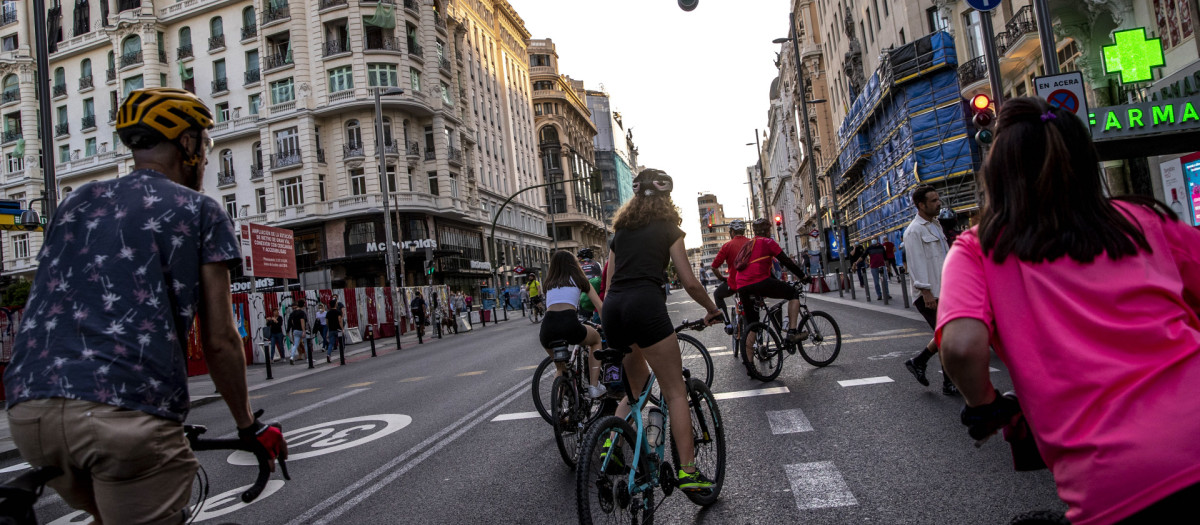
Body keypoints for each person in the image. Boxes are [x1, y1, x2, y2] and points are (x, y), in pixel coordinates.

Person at [3, 88, 286, 524]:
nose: (207, 157)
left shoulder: (76, 202)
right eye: (205, 144)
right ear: (187, 144)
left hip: (31, 408)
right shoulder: (200, 210)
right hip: (125, 410)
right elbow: (220, 340)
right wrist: (247, 425)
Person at [938, 97, 1200, 524]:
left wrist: (985, 406)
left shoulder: (980, 248)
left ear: (997, 172)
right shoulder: (1142, 219)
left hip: (1117, 481)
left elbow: (963, 347)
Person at [603, 168, 724, 492]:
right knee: (675, 391)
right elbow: (688, 281)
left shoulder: (621, 231)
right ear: (667, 197)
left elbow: (610, 281)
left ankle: (608, 447)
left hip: (614, 309)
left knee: (636, 390)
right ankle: (687, 470)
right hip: (646, 306)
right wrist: (712, 309)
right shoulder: (670, 229)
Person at [901, 184, 958, 396]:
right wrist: (926, 292)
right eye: (933, 201)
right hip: (929, 294)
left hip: (944, 290)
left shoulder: (935, 226)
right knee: (947, 336)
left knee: (945, 334)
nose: (938, 203)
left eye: (938, 199)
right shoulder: (914, 231)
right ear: (920, 205)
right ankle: (948, 382)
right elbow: (915, 264)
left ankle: (919, 362)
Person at [735, 218, 812, 369]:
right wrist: (803, 276)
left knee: (752, 325)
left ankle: (750, 366)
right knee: (793, 293)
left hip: (742, 286)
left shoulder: (748, 244)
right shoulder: (768, 242)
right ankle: (792, 332)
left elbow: (759, 268)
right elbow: (786, 262)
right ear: (768, 231)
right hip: (758, 281)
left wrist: (777, 281)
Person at [542, 251, 606, 398]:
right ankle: (594, 386)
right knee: (596, 339)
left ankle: (560, 407)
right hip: (569, 324)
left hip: (546, 330)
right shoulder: (579, 280)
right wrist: (606, 324)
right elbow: (600, 307)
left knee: (561, 368)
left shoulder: (548, 284)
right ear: (573, 265)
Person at [710, 219, 750, 335]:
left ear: (732, 232)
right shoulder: (752, 243)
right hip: (752, 283)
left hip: (734, 284)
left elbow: (714, 267)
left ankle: (727, 323)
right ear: (743, 231)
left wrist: (722, 278)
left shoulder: (727, 246)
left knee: (717, 295)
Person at [577, 249, 603, 322]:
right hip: (595, 290)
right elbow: (600, 277)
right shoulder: (596, 263)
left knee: (584, 317)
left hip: (582, 291)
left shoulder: (578, 264)